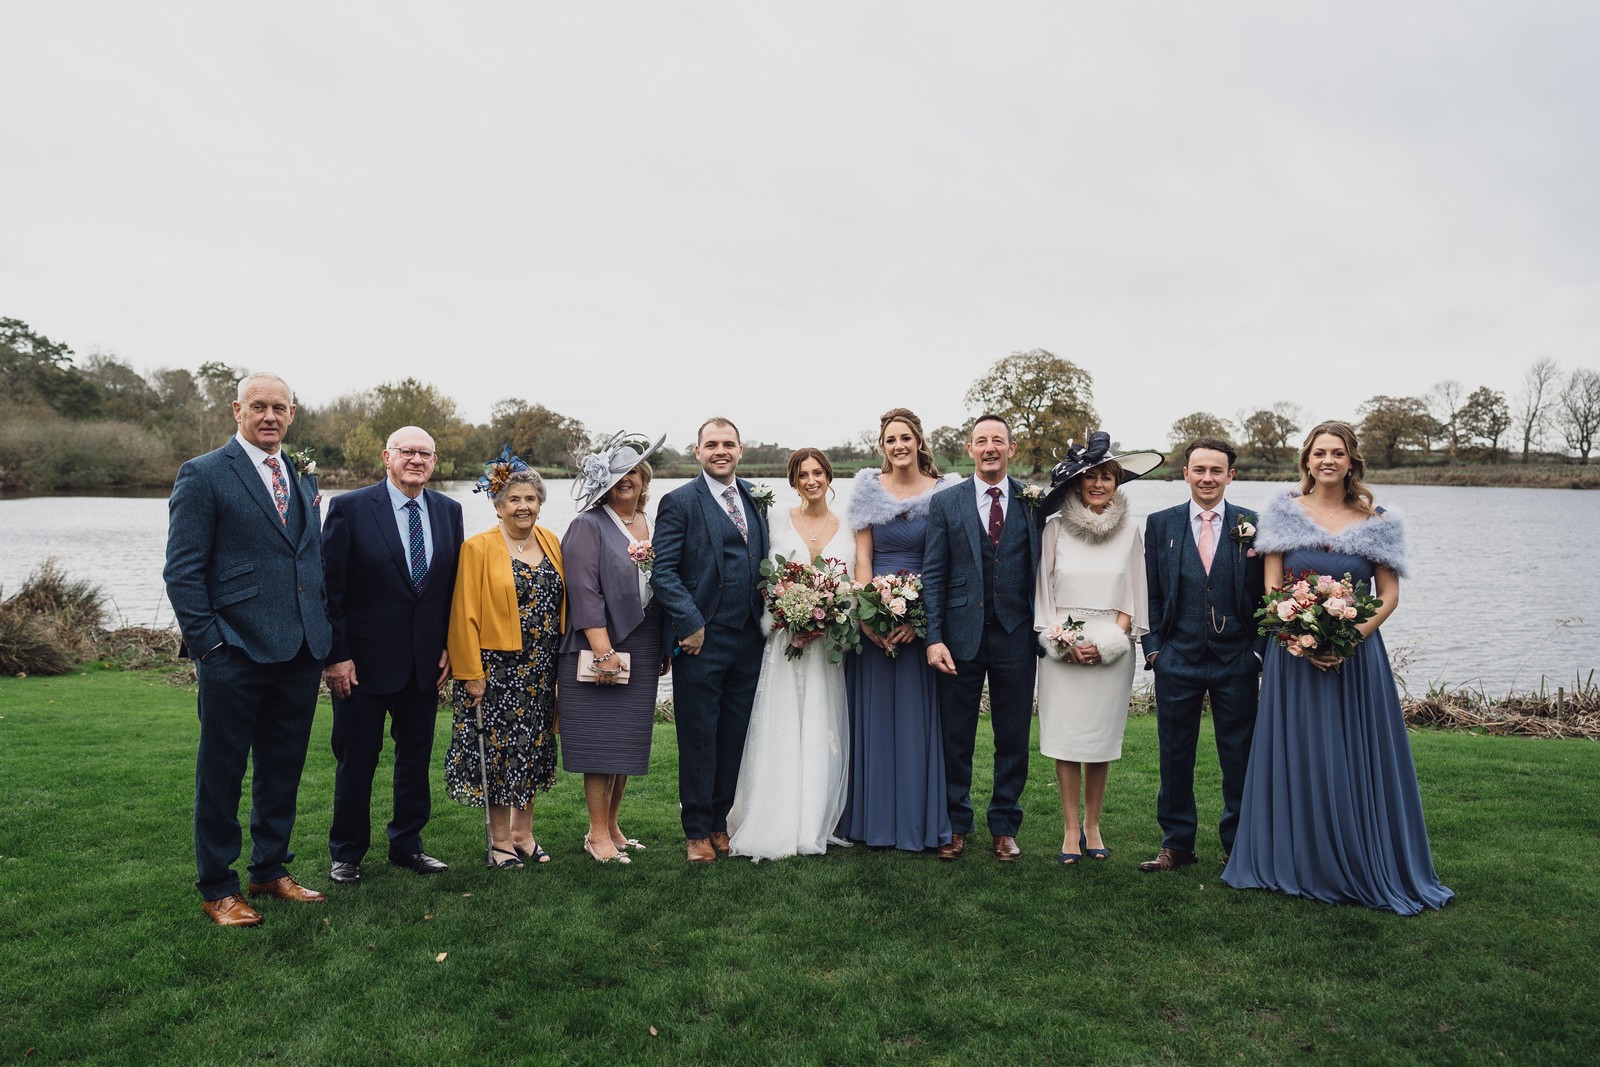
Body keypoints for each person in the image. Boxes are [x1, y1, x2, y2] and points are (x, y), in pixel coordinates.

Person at [1222, 423, 1452, 914]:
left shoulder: (1378, 520)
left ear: (1352, 461)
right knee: (1300, 751)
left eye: (1338, 452)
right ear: (1306, 460)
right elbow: (1270, 589)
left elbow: (1388, 595)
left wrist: (1347, 639)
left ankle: (1359, 854)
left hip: (1356, 656)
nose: (1328, 460)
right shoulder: (1282, 512)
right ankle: (1298, 860)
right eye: (1319, 452)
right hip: (1294, 658)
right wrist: (1301, 639)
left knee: (1353, 753)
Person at [163, 371, 332, 926]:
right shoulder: (205, 474)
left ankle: (269, 870)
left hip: (300, 651)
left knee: (282, 769)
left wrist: (323, 636)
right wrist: (210, 645)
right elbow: (183, 572)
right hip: (233, 652)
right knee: (222, 773)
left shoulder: (300, 475)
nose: (269, 416)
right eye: (258, 406)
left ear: (291, 414)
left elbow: (306, 561)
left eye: (279, 408)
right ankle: (217, 886)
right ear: (237, 410)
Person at [321, 426, 464, 884]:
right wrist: (336, 656)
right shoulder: (350, 508)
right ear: (387, 456)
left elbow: (449, 590)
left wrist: (450, 646)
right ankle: (347, 853)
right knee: (357, 758)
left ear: (435, 461)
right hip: (361, 664)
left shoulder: (448, 511)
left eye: (426, 453)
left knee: (414, 758)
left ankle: (407, 844)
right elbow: (331, 590)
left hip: (424, 664)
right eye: (407, 452)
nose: (416, 460)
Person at [1033, 433, 1162, 864]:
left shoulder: (1131, 532)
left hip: (1111, 645)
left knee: (1100, 739)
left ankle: (1093, 823)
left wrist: (1110, 642)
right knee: (1067, 738)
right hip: (1062, 644)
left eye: (1107, 477)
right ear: (1077, 483)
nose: (1098, 484)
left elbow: (1134, 594)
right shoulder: (1053, 530)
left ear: (1117, 483)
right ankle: (1070, 829)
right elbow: (1043, 594)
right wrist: (1060, 642)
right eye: (1091, 477)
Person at [1140, 436, 1265, 872]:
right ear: (1185, 473)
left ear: (1231, 475)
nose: (1207, 478)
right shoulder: (1161, 524)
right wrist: (1154, 650)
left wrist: (1258, 653)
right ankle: (1177, 843)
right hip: (1177, 657)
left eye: (1216, 470)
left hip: (1238, 660)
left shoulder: (1255, 523)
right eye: (1199, 469)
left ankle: (1239, 844)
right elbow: (1151, 593)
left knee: (1240, 755)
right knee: (1174, 754)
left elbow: (1271, 596)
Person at [650, 417, 771, 863]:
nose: (721, 451)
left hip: (749, 638)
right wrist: (690, 622)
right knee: (699, 736)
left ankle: (720, 821)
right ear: (697, 452)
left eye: (729, 444)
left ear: (740, 451)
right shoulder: (679, 501)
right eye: (711, 444)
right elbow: (663, 571)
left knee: (733, 734)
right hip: (700, 641)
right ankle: (697, 831)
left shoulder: (755, 499)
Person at [838, 410, 959, 852]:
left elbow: (942, 562)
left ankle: (916, 821)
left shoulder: (945, 492)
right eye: (890, 439)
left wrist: (917, 619)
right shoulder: (868, 488)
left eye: (905, 437)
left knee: (914, 722)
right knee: (872, 720)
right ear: (882, 446)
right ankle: (870, 823)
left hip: (919, 620)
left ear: (918, 441)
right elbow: (863, 556)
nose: (898, 445)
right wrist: (869, 613)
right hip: (874, 619)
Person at [922, 414, 1040, 861]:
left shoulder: (1033, 502)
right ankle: (956, 825)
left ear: (1012, 449)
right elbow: (933, 573)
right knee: (956, 736)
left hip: (1016, 635)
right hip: (959, 636)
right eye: (981, 441)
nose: (989, 447)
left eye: (998, 440)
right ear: (969, 449)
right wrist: (934, 637)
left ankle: (1005, 825)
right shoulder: (946, 502)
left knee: (1013, 736)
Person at [727, 447, 854, 860]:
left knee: (820, 724)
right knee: (780, 724)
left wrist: (824, 620)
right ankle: (774, 815)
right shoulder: (777, 519)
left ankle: (812, 820)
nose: (812, 480)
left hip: (825, 646)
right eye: (803, 474)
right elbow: (764, 578)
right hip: (784, 643)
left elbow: (851, 587)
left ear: (829, 476)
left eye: (818, 472)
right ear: (793, 480)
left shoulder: (847, 526)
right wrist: (787, 618)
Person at [444, 453, 565, 869]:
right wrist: (470, 674)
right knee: (498, 755)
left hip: (541, 670)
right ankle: (499, 842)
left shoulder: (551, 541)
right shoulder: (478, 548)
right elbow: (463, 614)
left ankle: (524, 834)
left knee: (531, 749)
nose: (523, 506)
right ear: (497, 505)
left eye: (531, 498)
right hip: (496, 672)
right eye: (514, 498)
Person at [559, 432, 668, 865]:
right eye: (617, 473)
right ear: (603, 480)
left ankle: (614, 828)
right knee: (601, 747)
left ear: (644, 479)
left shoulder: (651, 524)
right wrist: (603, 652)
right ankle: (596, 834)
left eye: (633, 472)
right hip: (598, 646)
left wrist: (660, 646)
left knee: (625, 745)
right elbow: (584, 592)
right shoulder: (587, 525)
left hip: (641, 645)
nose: (626, 480)